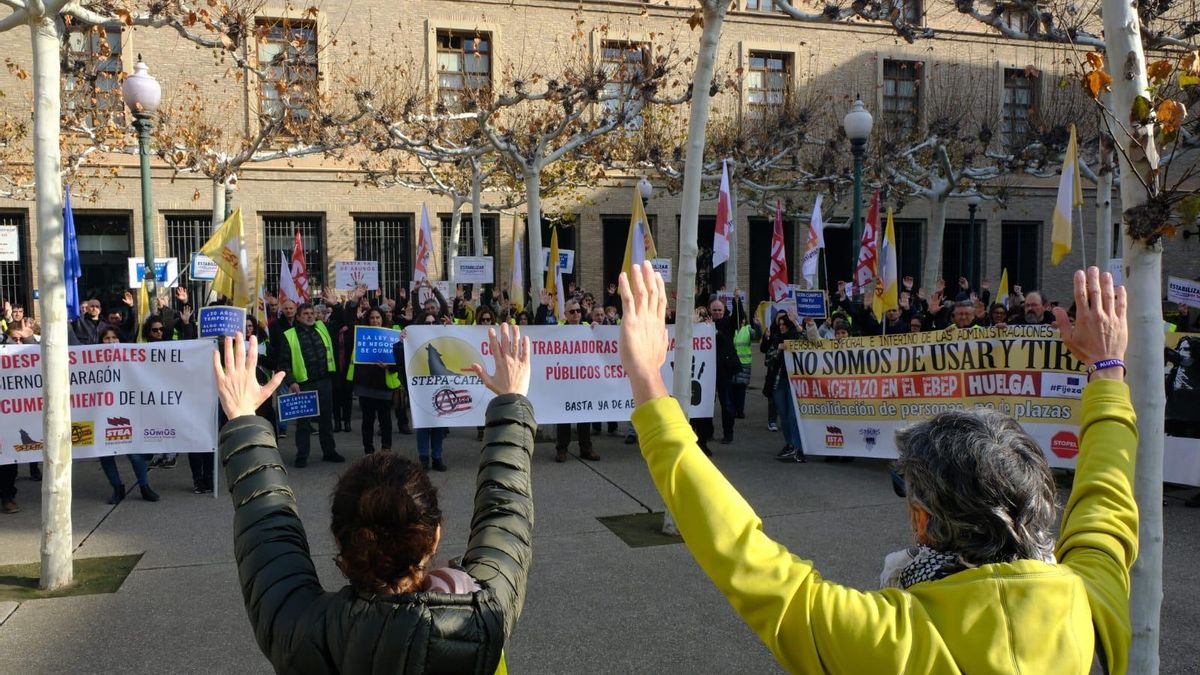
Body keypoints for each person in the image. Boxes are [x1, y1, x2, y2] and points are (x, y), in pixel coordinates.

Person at [619, 262, 1138, 674]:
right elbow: (1106, 502)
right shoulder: (1094, 601)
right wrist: (1107, 368)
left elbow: (734, 547)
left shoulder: (887, 640)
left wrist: (647, 380)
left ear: (922, 522)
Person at [211, 323, 534, 674]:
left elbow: (267, 533)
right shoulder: (485, 617)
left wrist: (243, 419)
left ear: (340, 539)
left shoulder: (299, 629)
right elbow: (505, 511)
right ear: (435, 536)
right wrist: (510, 403)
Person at [279, 303, 345, 467]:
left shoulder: (322, 328)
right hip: (304, 384)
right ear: (298, 317)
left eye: (312, 313)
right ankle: (302, 455)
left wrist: (335, 304)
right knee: (303, 422)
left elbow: (341, 321)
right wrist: (292, 381)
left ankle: (329, 451)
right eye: (305, 313)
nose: (309, 316)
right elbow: (284, 362)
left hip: (324, 381)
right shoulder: (289, 335)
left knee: (326, 419)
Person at [762, 312, 810, 463]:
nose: (782, 328)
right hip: (778, 381)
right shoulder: (776, 339)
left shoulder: (796, 337)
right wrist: (779, 349)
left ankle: (798, 447)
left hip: (794, 382)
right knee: (783, 415)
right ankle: (789, 444)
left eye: (785, 325)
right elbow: (767, 360)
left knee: (793, 415)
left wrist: (795, 322)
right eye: (780, 325)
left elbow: (806, 339)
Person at [556, 299, 599, 462]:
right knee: (564, 416)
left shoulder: (588, 328)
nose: (576, 314)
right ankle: (562, 449)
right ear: (565, 314)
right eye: (572, 312)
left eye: (578, 311)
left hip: (584, 380)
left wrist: (598, 328)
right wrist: (544, 307)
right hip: (565, 380)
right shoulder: (559, 330)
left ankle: (586, 448)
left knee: (584, 415)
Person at [349, 308, 397, 455]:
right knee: (367, 420)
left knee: (385, 420)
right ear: (368, 320)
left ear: (383, 319)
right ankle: (368, 450)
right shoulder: (361, 335)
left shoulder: (391, 335)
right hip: (365, 384)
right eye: (372, 318)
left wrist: (389, 366)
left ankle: (386, 449)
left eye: (378, 318)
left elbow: (399, 360)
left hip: (384, 384)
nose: (375, 320)